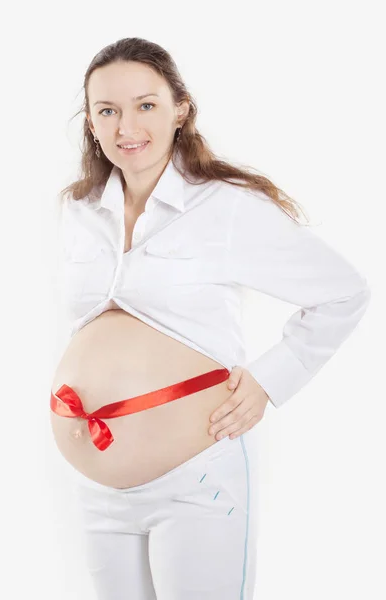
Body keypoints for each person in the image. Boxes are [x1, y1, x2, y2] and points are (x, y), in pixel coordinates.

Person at [49, 37, 371, 600]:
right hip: (96, 491)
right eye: (108, 110)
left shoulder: (226, 206)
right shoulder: (80, 209)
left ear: (181, 108)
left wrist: (273, 377)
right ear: (92, 125)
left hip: (195, 481)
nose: (127, 125)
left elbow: (344, 292)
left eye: (146, 104)